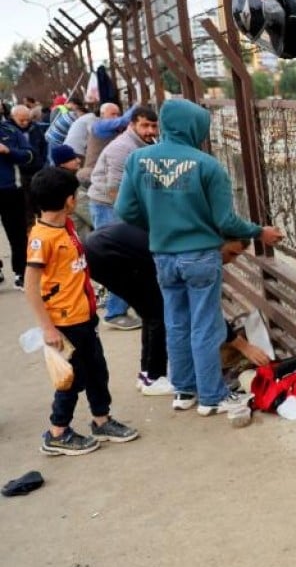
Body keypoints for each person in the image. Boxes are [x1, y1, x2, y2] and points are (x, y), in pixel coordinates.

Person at [115, 98, 284, 417]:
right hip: (200, 257)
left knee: (175, 322)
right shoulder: (207, 165)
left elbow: (125, 210)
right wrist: (259, 231)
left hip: (163, 254)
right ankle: (212, 396)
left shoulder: (138, 159)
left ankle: (184, 390)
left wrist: (160, 226)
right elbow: (226, 222)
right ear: (195, 128)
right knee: (205, 325)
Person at [23, 166, 139, 456]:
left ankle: (102, 420)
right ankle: (57, 432)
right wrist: (48, 328)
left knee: (97, 371)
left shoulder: (67, 227)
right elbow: (30, 287)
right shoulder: (42, 238)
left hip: (84, 317)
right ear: (69, 200)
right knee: (72, 379)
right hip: (64, 322)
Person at [84, 222, 272, 399]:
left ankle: (147, 375)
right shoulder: (194, 256)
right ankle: (153, 377)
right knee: (158, 312)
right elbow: (203, 309)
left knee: (152, 311)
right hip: (107, 254)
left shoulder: (194, 238)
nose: (231, 261)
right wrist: (243, 346)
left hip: (102, 247)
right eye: (232, 253)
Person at [89, 106, 159, 331]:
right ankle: (115, 312)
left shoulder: (144, 145)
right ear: (132, 125)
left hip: (119, 205)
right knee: (118, 259)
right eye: (144, 125)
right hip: (109, 206)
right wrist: (135, 220)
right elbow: (114, 191)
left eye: (153, 126)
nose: (150, 131)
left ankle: (122, 308)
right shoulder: (123, 148)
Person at [0, 105, 40, 288]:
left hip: (10, 189)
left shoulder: (10, 131)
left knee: (17, 234)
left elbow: (30, 155)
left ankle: (21, 272)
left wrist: (9, 151)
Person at [45, 96, 84, 163]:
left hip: (57, 137)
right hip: (55, 137)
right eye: (76, 107)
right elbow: (54, 122)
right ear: (72, 103)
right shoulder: (59, 109)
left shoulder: (68, 111)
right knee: (54, 159)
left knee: (53, 158)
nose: (76, 109)